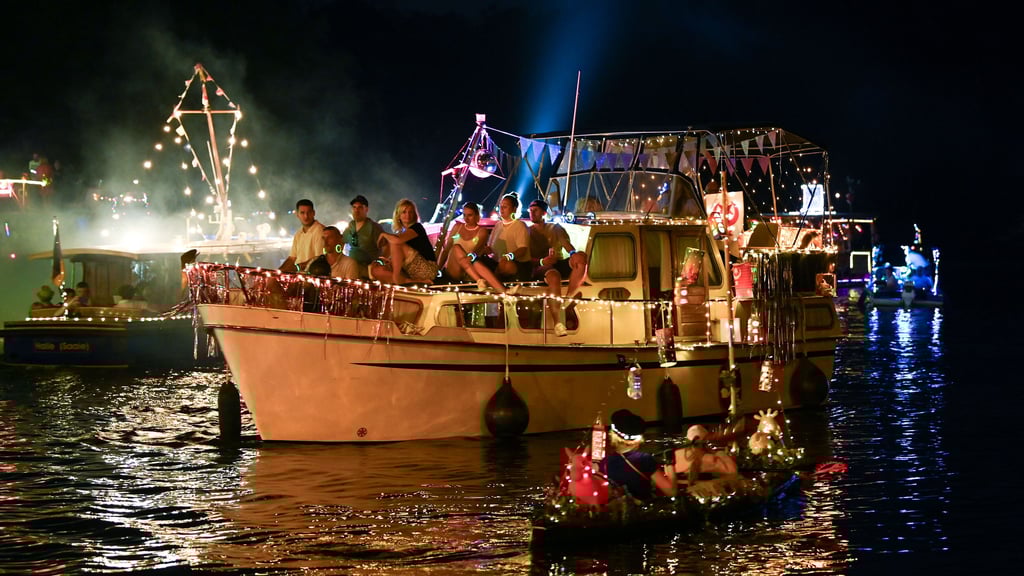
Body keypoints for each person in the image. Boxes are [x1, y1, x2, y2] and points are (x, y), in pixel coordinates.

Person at [527, 199, 588, 337]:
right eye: (530, 210)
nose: (532, 213)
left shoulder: (555, 228)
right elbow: (525, 258)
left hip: (558, 262)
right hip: (540, 265)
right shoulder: (528, 231)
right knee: (554, 275)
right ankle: (558, 323)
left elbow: (566, 244)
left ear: (543, 212)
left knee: (581, 257)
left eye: (535, 210)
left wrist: (573, 254)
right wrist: (543, 261)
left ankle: (567, 298)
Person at [604, 409, 677, 499]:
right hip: (643, 508)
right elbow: (672, 492)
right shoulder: (644, 459)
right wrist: (670, 463)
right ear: (639, 437)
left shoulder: (606, 459)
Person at [470, 192, 532, 293]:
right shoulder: (498, 225)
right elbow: (491, 249)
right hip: (496, 262)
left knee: (505, 264)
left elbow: (523, 249)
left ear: (514, 209)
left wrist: (508, 256)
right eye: (501, 206)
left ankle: (494, 282)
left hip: (517, 264)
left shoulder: (520, 225)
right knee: (475, 261)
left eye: (505, 207)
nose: (501, 209)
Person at [369, 198, 438, 285]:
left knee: (395, 242)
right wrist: (380, 262)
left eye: (410, 212)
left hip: (427, 270)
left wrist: (384, 235)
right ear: (398, 215)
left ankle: (396, 278)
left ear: (414, 214)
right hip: (409, 271)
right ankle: (411, 281)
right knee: (376, 270)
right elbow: (386, 256)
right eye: (404, 212)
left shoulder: (417, 227)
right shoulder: (400, 233)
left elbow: (398, 241)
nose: (407, 215)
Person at [435, 201, 490, 284]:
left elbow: (476, 250)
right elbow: (446, 250)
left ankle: (478, 280)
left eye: (470, 215)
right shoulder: (457, 227)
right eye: (464, 215)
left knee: (461, 252)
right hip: (453, 268)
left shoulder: (482, 231)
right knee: (455, 248)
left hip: (469, 268)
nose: (466, 218)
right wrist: (438, 269)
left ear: (476, 215)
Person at [338, 195, 385, 279]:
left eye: (360, 207)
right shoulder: (350, 226)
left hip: (367, 268)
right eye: (354, 207)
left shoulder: (374, 227)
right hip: (351, 266)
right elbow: (341, 242)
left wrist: (378, 262)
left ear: (366, 209)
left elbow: (386, 247)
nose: (356, 210)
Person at [673, 424, 738, 482]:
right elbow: (733, 471)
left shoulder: (673, 458)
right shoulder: (711, 459)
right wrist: (719, 452)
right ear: (706, 441)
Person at [279, 199, 325, 272]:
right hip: (299, 275)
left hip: (312, 277)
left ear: (313, 213)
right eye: (302, 213)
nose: (306, 216)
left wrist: (298, 267)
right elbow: (292, 258)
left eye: (309, 212)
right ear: (297, 215)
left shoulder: (320, 231)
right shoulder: (298, 234)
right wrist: (278, 272)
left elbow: (319, 258)